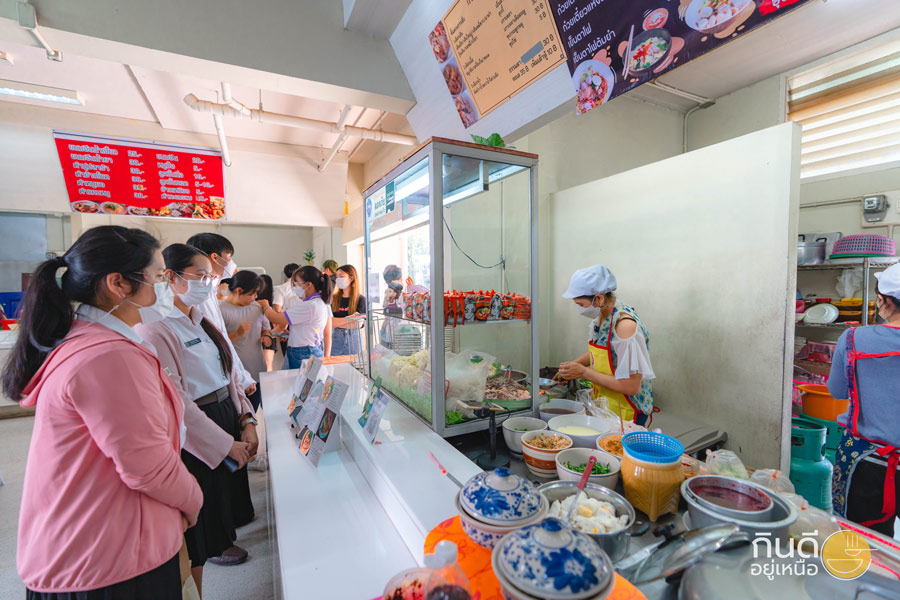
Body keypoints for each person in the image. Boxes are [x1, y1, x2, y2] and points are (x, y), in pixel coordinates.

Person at [3, 226, 202, 600]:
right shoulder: (110, 356)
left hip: (96, 544)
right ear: (119, 284)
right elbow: (148, 466)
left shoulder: (91, 339)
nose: (165, 286)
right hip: (107, 563)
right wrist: (194, 499)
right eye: (159, 276)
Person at [136, 244, 258, 589]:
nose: (207, 283)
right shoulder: (157, 329)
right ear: (170, 278)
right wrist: (223, 443)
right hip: (195, 430)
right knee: (197, 522)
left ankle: (221, 544)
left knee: (218, 501)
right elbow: (178, 400)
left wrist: (247, 420)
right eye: (200, 276)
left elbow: (229, 373)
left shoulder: (198, 319)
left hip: (223, 414)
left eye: (210, 277)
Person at [830, 263, 900, 536]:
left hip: (866, 461)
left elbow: (836, 391)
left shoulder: (853, 338)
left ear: (883, 301)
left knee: (859, 545)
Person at [557, 265, 656, 426]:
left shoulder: (624, 326)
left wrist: (583, 372)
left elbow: (632, 386)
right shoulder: (601, 317)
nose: (580, 310)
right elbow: (601, 353)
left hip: (627, 409)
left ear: (599, 298)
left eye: (581, 305)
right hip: (607, 402)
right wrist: (573, 366)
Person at [185, 233, 257, 402]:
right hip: (210, 390)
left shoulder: (209, 290)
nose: (231, 262)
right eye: (229, 257)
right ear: (215, 257)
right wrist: (242, 377)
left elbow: (222, 337)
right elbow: (217, 339)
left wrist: (242, 375)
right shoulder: (199, 295)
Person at [258, 266, 332, 369]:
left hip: (303, 352)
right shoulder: (318, 302)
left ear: (308, 284)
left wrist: (265, 306)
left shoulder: (310, 305)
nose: (293, 287)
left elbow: (276, 318)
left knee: (299, 383)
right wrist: (292, 333)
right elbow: (309, 329)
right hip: (306, 349)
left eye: (296, 283)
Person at [219, 270, 270, 412]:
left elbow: (266, 329)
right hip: (236, 374)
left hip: (257, 369)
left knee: (253, 412)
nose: (255, 297)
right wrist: (237, 334)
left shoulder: (257, 308)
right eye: (252, 293)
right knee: (239, 415)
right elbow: (217, 345)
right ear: (239, 290)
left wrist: (266, 337)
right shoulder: (220, 310)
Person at [331, 264, 367, 357]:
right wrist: (350, 319)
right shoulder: (333, 299)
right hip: (336, 338)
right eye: (337, 276)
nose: (338, 279)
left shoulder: (361, 299)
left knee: (356, 368)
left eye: (341, 276)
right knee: (335, 368)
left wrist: (338, 321)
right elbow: (330, 322)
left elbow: (358, 324)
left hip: (354, 338)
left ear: (351, 278)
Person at [272, 262, 299, 356]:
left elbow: (278, 309)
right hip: (291, 324)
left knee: (289, 353)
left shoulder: (282, 288)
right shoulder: (303, 287)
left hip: (286, 322)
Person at [257, 273, 277, 372]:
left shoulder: (255, 302)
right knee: (268, 363)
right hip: (268, 331)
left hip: (259, 330)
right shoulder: (268, 303)